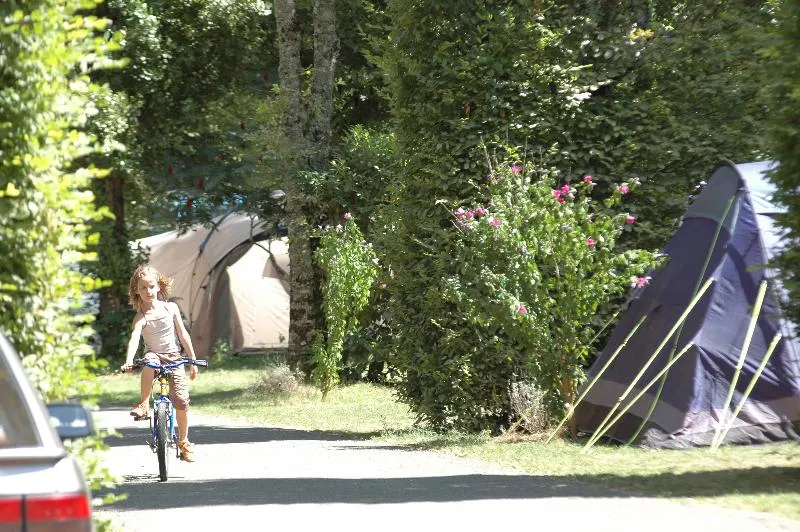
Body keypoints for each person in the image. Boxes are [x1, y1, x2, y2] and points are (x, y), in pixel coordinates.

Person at [121, 265, 199, 462]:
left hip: (174, 357)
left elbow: (183, 335)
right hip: (154, 354)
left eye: (151, 286)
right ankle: (144, 404)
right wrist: (129, 361)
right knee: (149, 363)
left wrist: (193, 360)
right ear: (136, 291)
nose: (148, 291)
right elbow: (134, 339)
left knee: (181, 401)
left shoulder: (170, 308)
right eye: (143, 288)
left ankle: (184, 442)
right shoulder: (141, 317)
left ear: (158, 287)